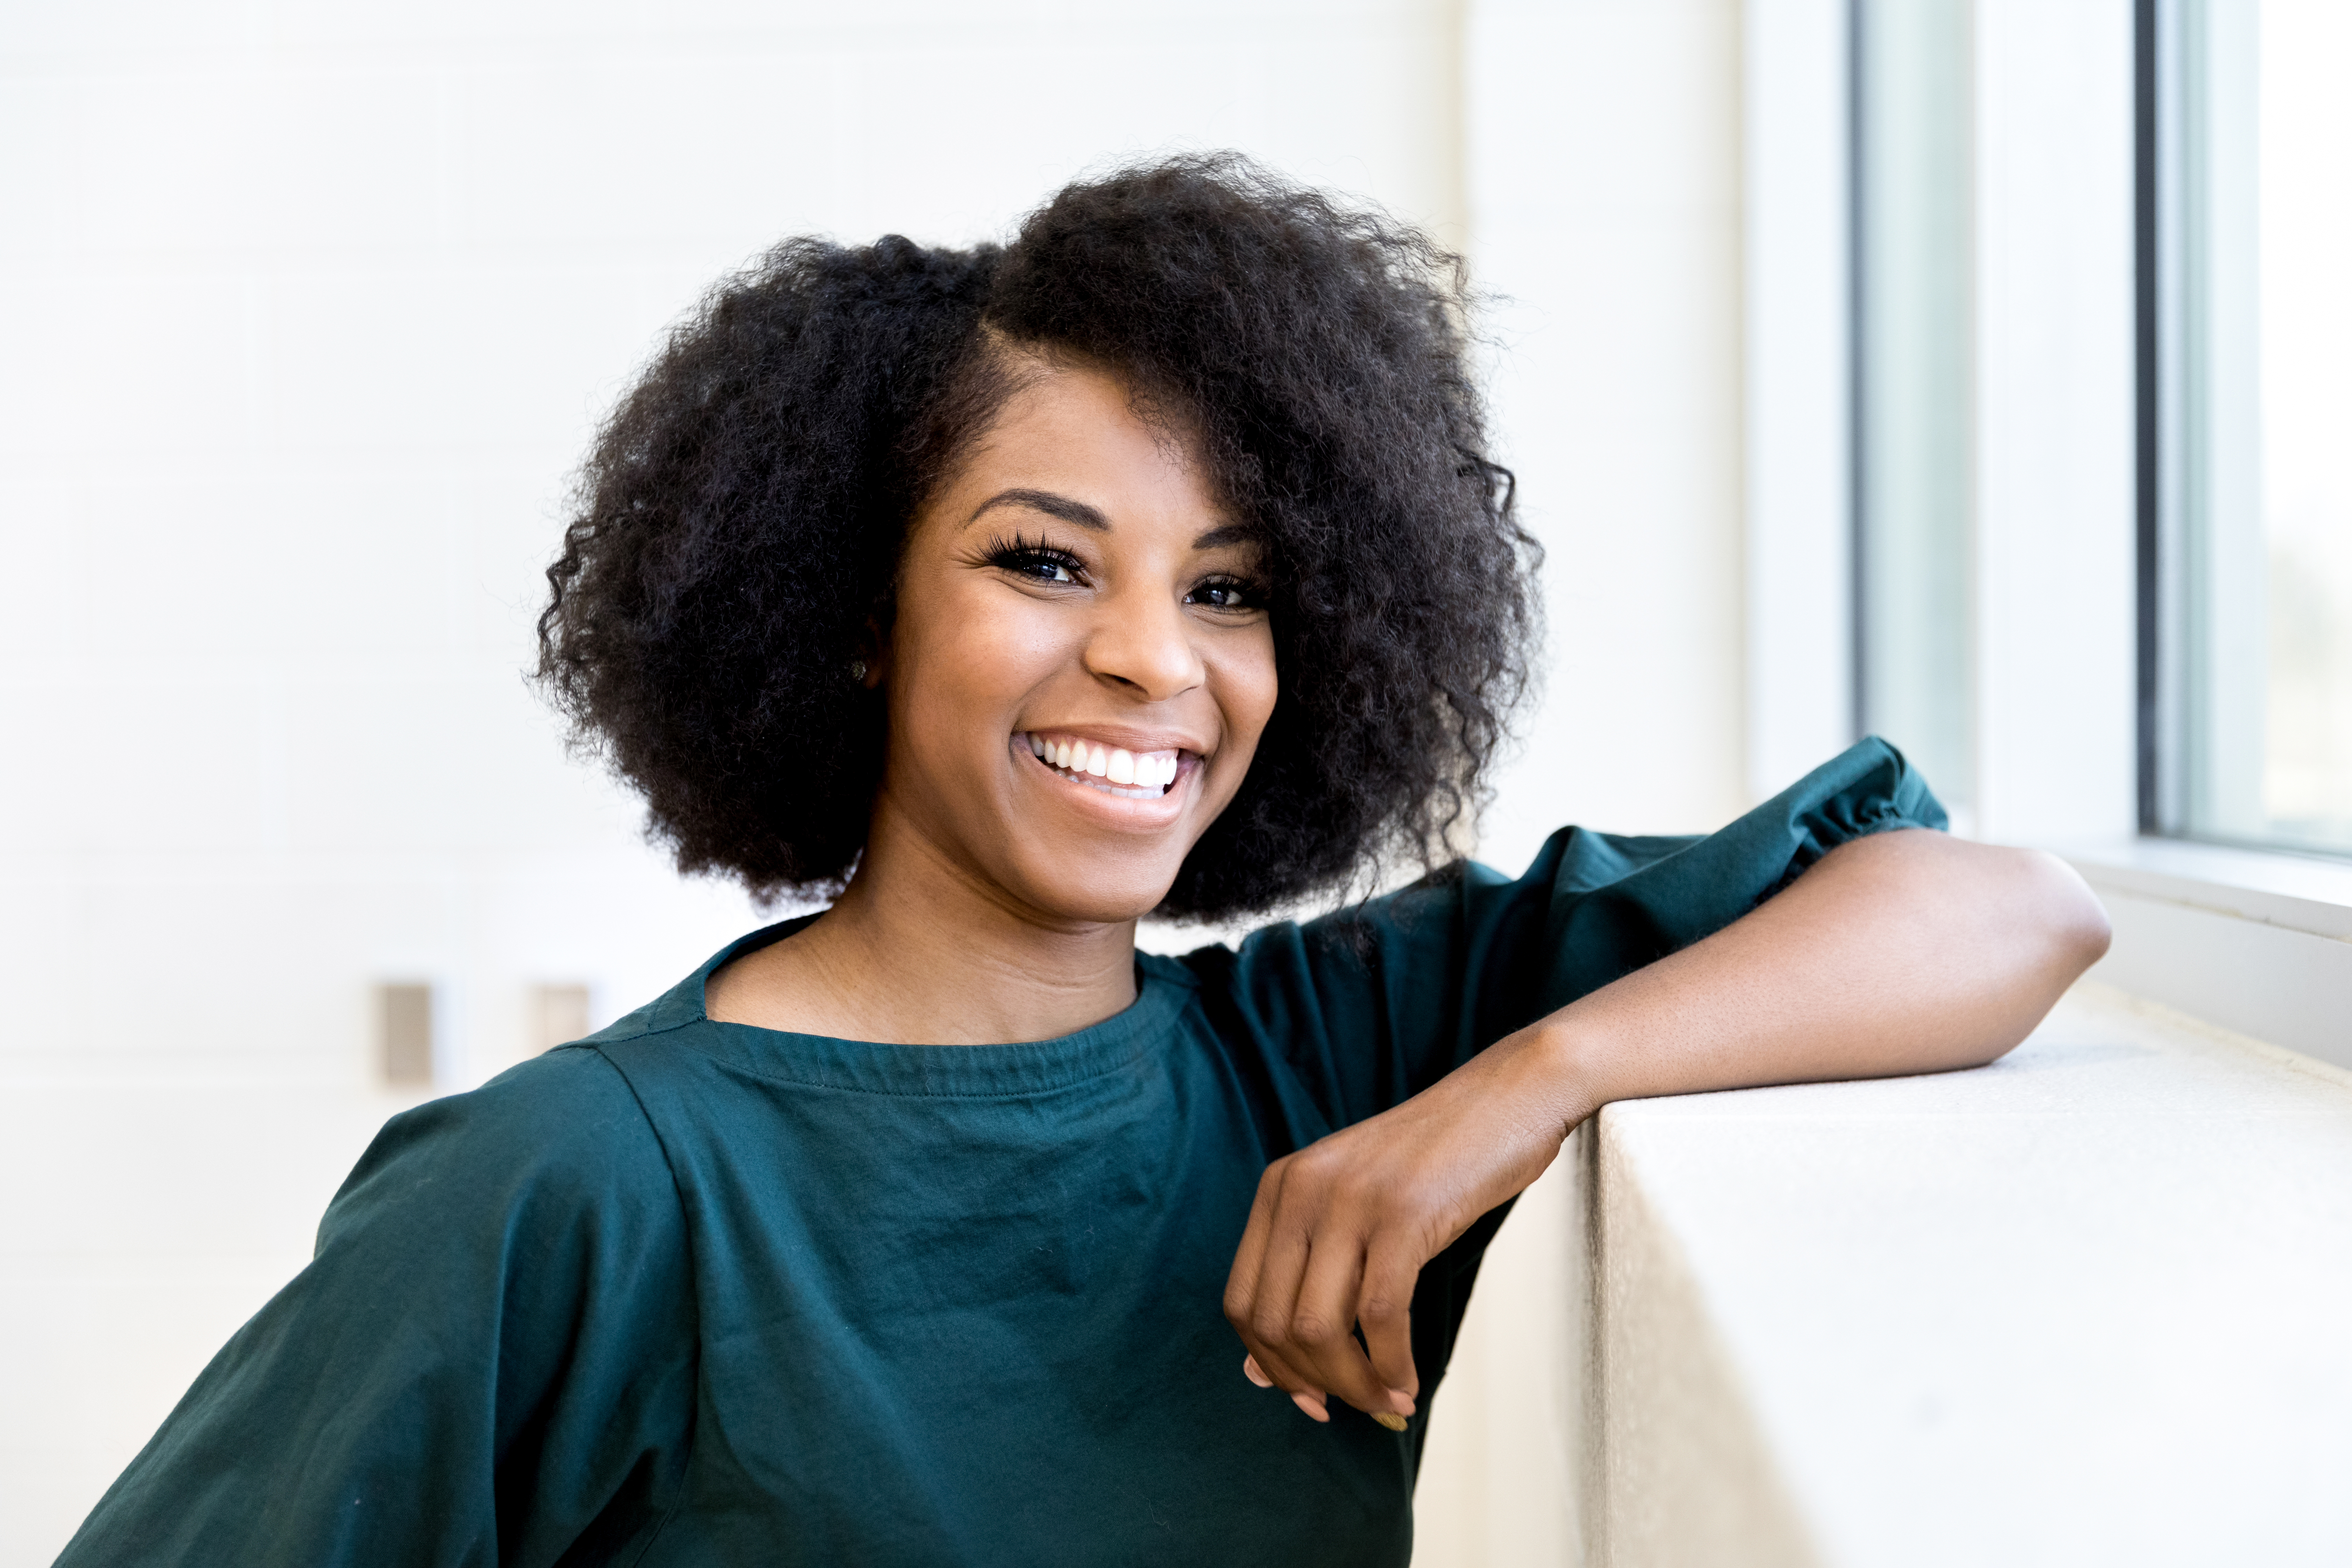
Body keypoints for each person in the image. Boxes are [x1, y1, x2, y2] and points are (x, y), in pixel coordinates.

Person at [56, 155, 2109, 1567]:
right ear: (856, 613)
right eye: (1042, 560)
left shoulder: (1341, 1053)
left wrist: (1517, 1094)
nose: (1152, 657)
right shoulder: (575, 1188)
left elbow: (2009, 909)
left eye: (1229, 588)